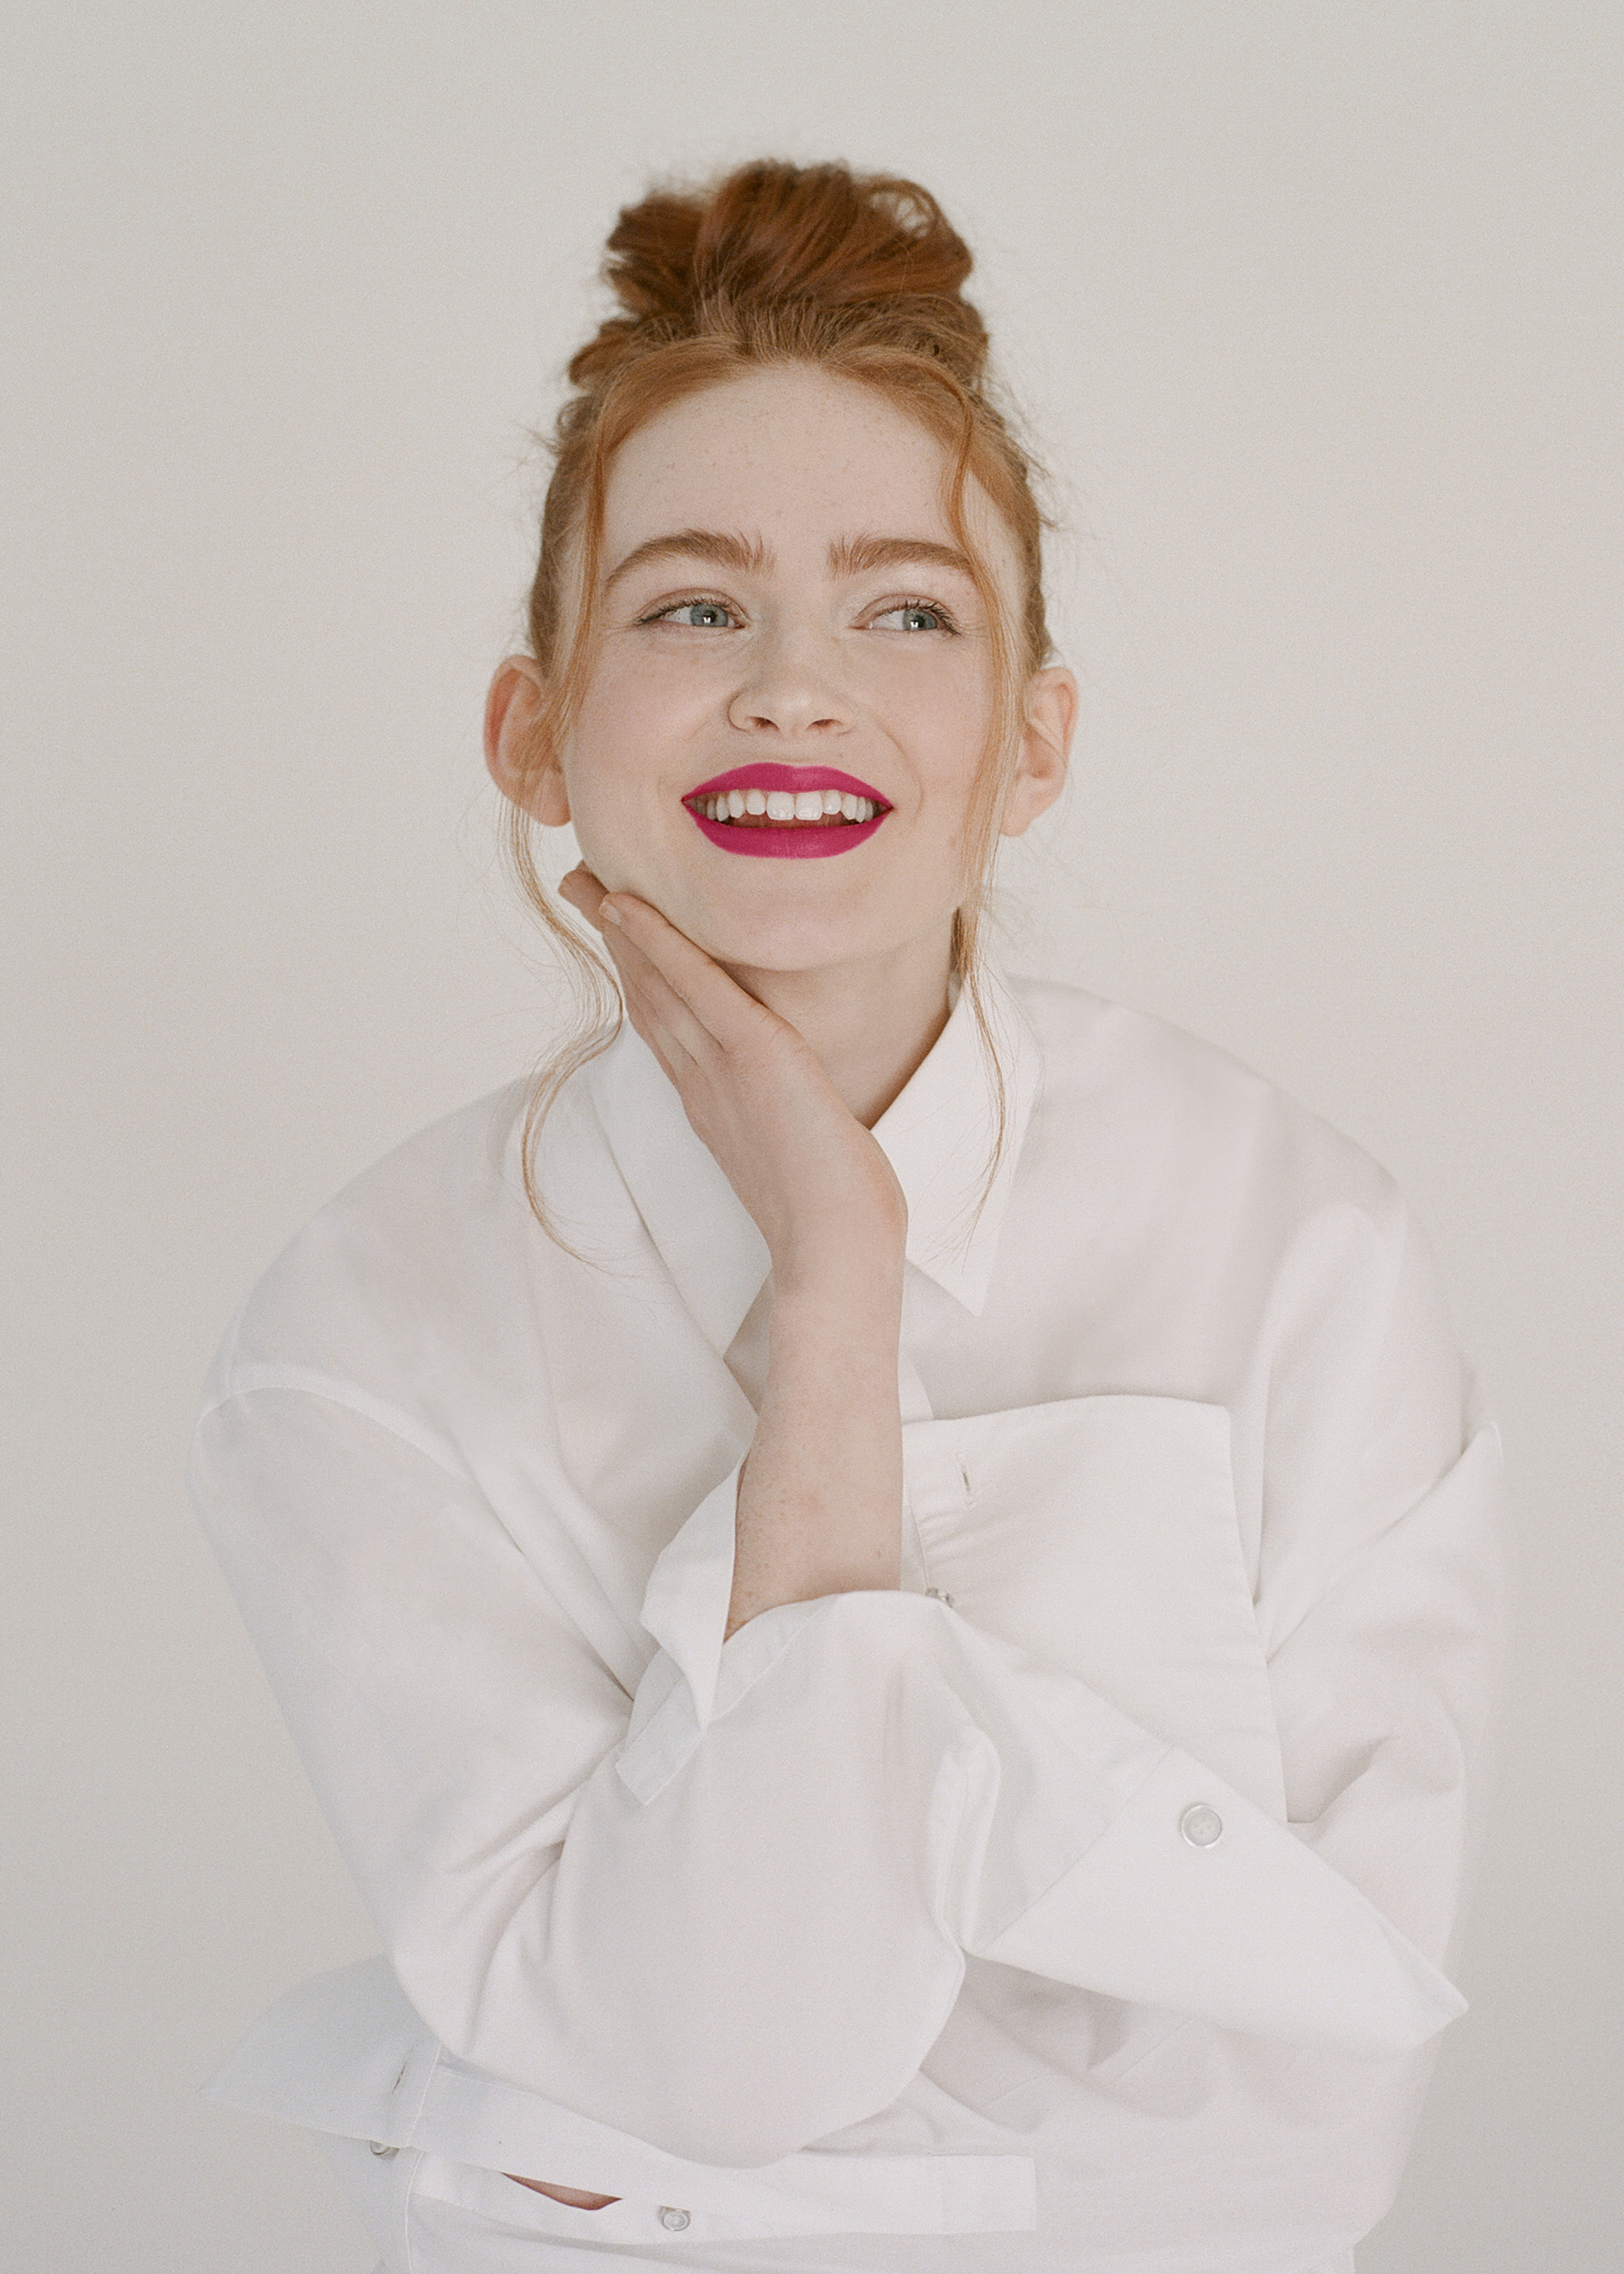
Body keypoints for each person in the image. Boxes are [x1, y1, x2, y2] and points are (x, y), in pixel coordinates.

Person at [188, 160, 1511, 2274]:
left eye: (908, 613)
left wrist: (622, 2126)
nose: (795, 689)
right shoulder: (361, 1336)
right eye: (691, 608)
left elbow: (1304, 2132)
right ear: (533, 730)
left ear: (1033, 742)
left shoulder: (1295, 1244)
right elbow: (721, 2056)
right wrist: (838, 1283)